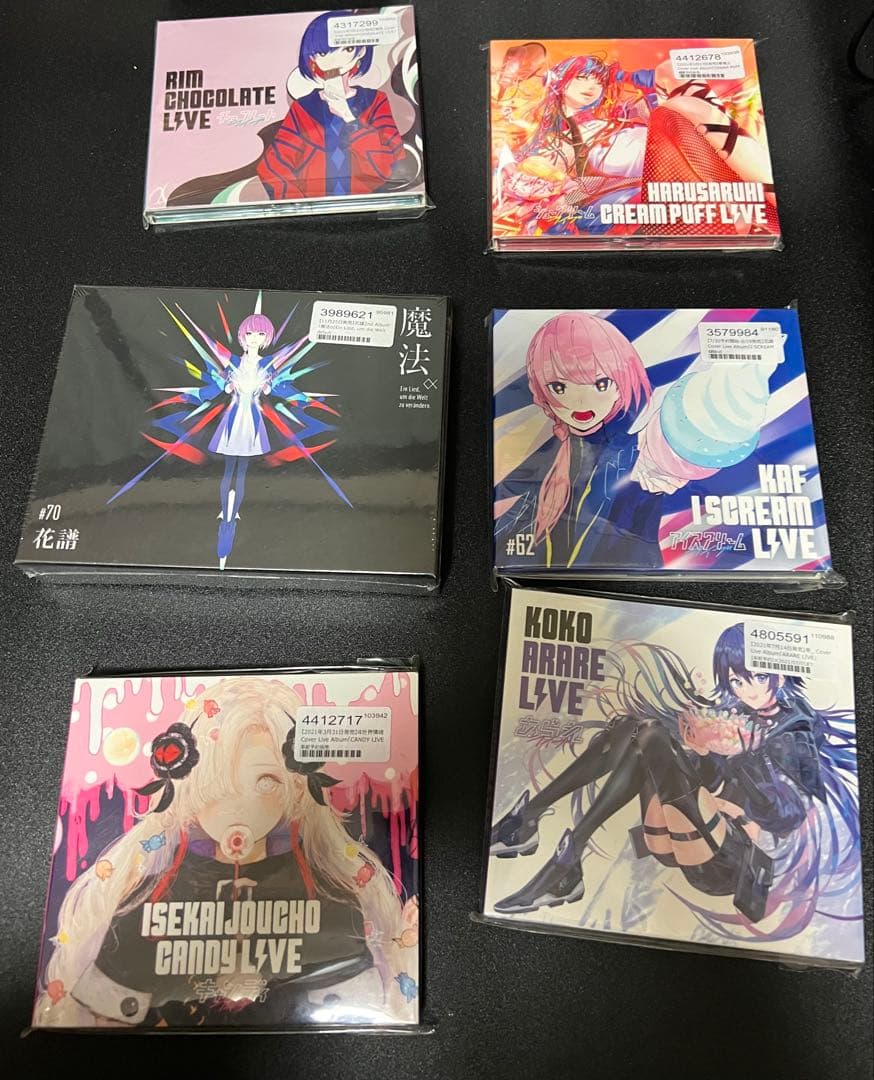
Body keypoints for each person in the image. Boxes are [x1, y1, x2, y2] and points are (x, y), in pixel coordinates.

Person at [35, 678, 411, 1027]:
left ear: (296, 789)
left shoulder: (330, 900)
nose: (240, 809)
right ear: (188, 787)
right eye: (219, 785)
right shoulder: (146, 904)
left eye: (266, 783)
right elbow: (103, 1022)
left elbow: (355, 1016)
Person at [490, 629, 859, 938]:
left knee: (649, 735)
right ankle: (537, 825)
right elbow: (710, 781)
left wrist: (743, 756)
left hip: (726, 862)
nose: (748, 690)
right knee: (633, 729)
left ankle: (558, 850)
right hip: (681, 830)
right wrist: (702, 752)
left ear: (779, 673)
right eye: (736, 680)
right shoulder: (734, 715)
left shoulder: (796, 732)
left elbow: (787, 818)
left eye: (758, 677)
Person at [257, 10, 404, 200]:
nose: (335, 59)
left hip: (368, 206)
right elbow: (273, 166)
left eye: (347, 49)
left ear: (361, 50)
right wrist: (299, 204)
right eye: (323, 52)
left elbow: (389, 163)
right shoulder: (303, 108)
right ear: (312, 58)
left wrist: (349, 117)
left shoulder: (375, 101)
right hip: (314, 209)